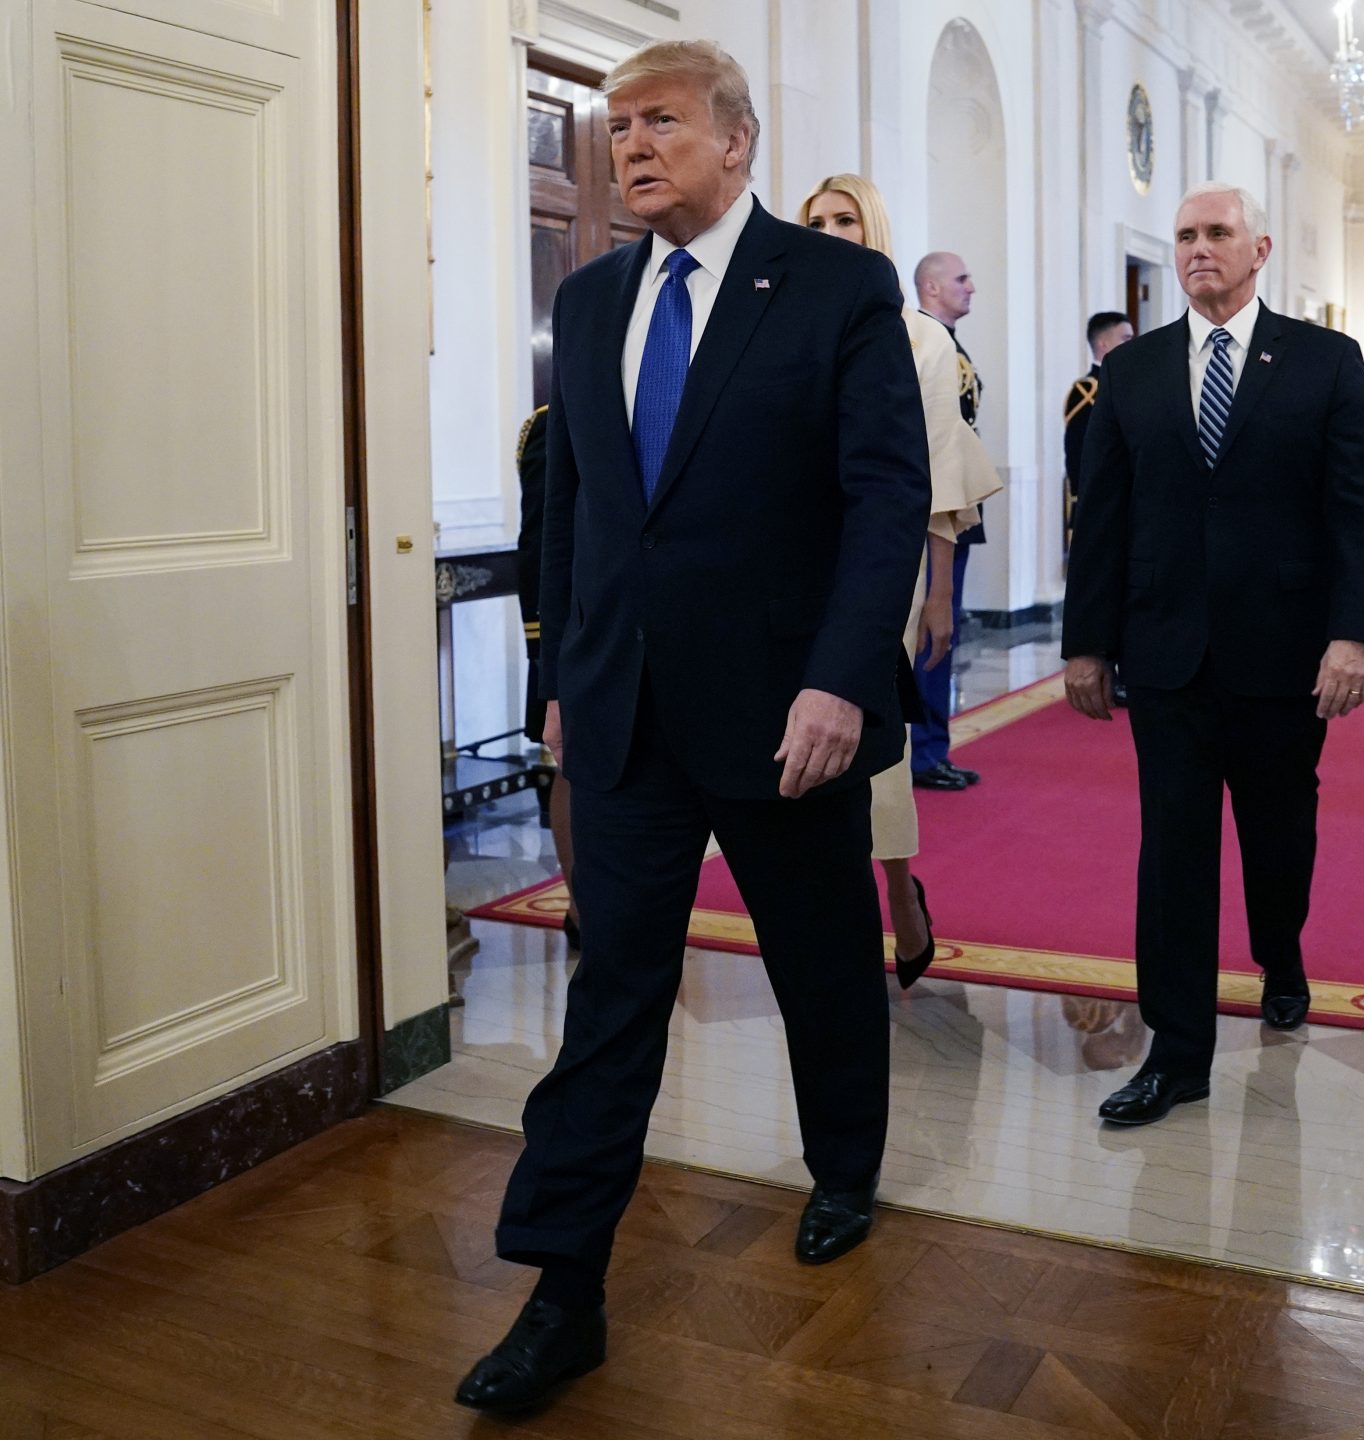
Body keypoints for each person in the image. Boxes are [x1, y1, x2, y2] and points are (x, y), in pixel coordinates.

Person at [456, 40, 930, 1414]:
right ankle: (563, 1289)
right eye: (617, 126)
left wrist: (843, 678)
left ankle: (845, 1165)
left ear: (739, 141)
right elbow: (580, 510)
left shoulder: (837, 288)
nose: (630, 145)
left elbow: (884, 494)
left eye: (660, 120)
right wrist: (555, 668)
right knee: (612, 997)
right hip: (622, 715)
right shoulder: (595, 297)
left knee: (823, 963)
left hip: (789, 717)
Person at [1061, 181, 1364, 1128]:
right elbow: (1104, 520)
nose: (1198, 248)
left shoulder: (1327, 362)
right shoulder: (1132, 373)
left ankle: (1280, 952)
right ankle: (1176, 1053)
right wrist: (1086, 642)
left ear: (1261, 249)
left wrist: (1355, 633)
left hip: (1286, 653)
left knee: (1279, 832)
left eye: (1217, 233)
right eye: (1184, 236)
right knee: (1171, 852)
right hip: (1165, 653)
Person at [799, 175, 1001, 987]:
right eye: (816, 220)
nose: (831, 231)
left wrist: (942, 593)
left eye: (845, 218)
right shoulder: (782, 322)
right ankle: (830, 902)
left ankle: (897, 892)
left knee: (869, 735)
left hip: (885, 561)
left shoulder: (918, 336)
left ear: (873, 227)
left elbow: (936, 476)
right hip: (795, 558)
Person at [910, 250, 986, 792]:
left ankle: (932, 744)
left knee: (943, 631)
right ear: (931, 287)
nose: (971, 287)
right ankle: (921, 750)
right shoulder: (921, 342)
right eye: (961, 279)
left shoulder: (950, 347)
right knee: (930, 631)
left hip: (952, 506)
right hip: (931, 510)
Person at [513, 405, 580, 949]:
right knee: (572, 769)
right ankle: (581, 907)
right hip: (577, 632)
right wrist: (545, 651)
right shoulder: (548, 424)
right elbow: (539, 542)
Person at [1065, 311, 1134, 519]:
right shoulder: (1087, 391)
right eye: (1125, 339)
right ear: (1103, 343)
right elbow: (1079, 450)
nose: (1133, 345)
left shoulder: (1125, 385)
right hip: (1102, 504)